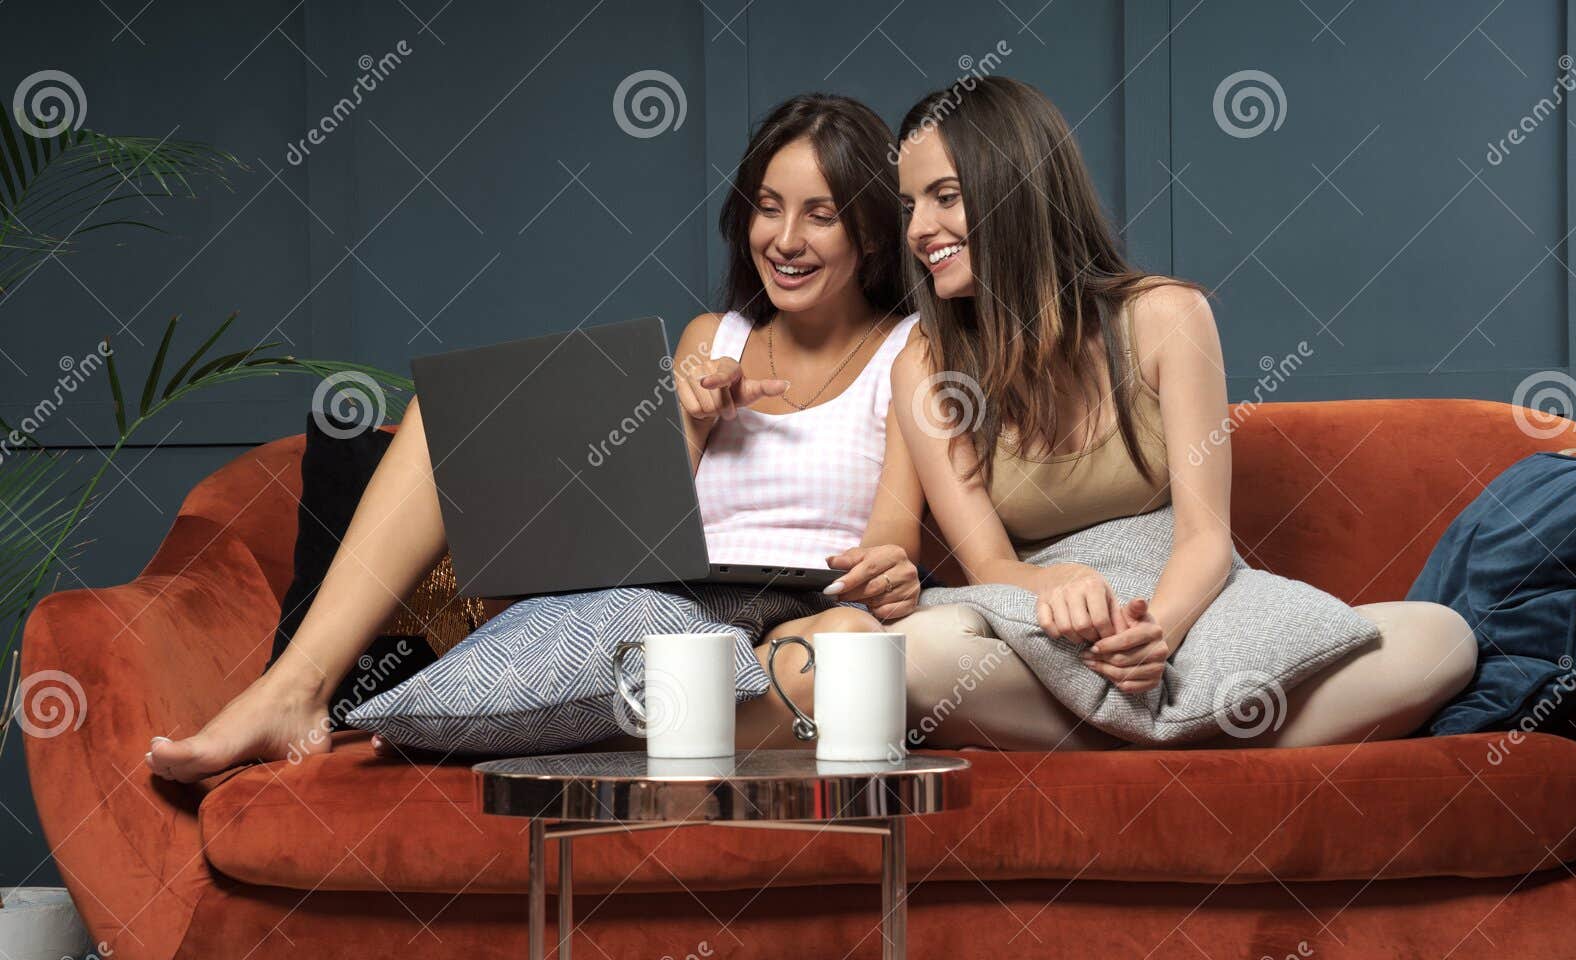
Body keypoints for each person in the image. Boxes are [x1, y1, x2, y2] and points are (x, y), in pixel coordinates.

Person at [148, 93, 927, 783]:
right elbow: (638, 530)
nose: (785, 239)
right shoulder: (711, 336)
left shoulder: (911, 350)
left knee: (847, 653)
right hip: (664, 604)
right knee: (436, 421)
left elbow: (891, 539)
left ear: (871, 235)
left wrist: (884, 574)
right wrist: (688, 422)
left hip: (797, 612)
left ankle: (540, 738)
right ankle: (296, 689)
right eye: (767, 207)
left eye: (819, 214)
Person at [888, 76, 1476, 751]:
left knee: (1441, 637)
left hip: (1188, 606)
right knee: (912, 654)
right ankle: (1201, 729)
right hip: (1039, 622)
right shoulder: (925, 366)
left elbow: (1204, 539)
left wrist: (1151, 636)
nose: (918, 230)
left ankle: (1134, 726)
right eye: (909, 205)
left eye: (945, 198)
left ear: (1015, 191)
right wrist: (1058, 582)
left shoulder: (1167, 316)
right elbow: (988, 563)